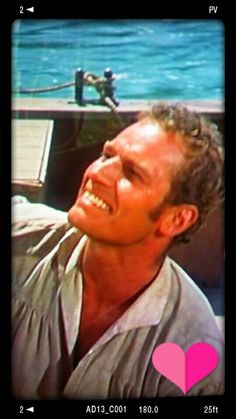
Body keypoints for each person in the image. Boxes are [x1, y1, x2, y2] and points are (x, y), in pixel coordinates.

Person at [12, 103, 224, 399]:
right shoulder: (21, 242)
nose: (97, 174)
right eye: (106, 155)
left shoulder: (192, 347)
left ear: (176, 219)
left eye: (132, 173)